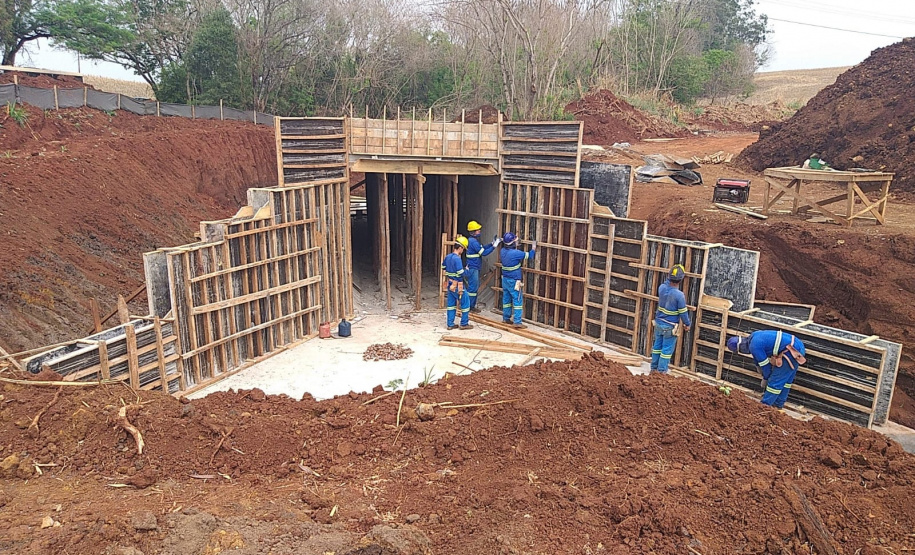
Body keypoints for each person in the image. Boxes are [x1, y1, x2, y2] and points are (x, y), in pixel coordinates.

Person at [727, 330, 807, 409]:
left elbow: (767, 368)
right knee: (785, 381)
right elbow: (757, 356)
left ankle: (764, 407)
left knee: (775, 382)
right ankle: (778, 405)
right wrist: (758, 366)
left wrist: (765, 379)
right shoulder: (754, 337)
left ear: (740, 348)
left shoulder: (754, 346)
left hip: (792, 351)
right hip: (797, 345)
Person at [650, 264, 691, 374]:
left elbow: (666, 285)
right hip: (670, 327)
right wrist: (687, 324)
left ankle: (653, 369)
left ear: (668, 276)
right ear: (681, 279)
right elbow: (683, 312)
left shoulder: (661, 288)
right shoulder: (679, 295)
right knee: (666, 350)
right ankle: (661, 372)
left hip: (658, 323)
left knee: (657, 346)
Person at [499, 232, 536, 329]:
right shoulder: (515, 253)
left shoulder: (502, 251)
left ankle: (506, 318)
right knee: (517, 300)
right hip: (514, 281)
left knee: (506, 299)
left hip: (505, 280)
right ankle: (517, 322)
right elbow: (530, 255)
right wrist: (533, 248)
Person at [464, 221, 500, 313]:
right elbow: (484, 252)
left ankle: (469, 306)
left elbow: (482, 247)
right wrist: (494, 246)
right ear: (473, 231)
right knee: (473, 288)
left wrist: (491, 244)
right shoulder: (473, 242)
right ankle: (469, 307)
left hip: (474, 267)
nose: (479, 231)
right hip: (473, 268)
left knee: (473, 287)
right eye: (478, 230)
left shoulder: (473, 241)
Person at [441, 236, 473, 331]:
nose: (463, 251)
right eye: (463, 249)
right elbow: (461, 273)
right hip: (458, 285)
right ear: (460, 248)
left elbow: (443, 267)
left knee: (451, 305)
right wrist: (467, 271)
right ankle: (464, 323)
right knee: (466, 304)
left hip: (450, 284)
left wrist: (451, 270)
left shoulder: (448, 256)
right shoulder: (457, 259)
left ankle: (450, 324)